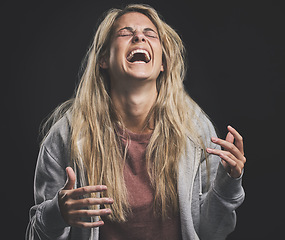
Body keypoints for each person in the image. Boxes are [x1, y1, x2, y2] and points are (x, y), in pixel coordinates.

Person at [26, 4, 245, 240]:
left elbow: (212, 233)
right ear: (103, 59)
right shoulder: (67, 135)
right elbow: (35, 235)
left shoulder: (194, 130)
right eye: (124, 33)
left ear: (162, 63)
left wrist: (229, 184)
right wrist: (57, 213)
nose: (139, 36)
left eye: (150, 34)